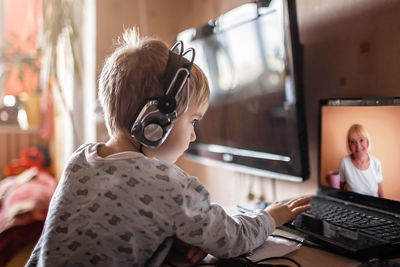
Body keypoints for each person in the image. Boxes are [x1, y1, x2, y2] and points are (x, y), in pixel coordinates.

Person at [25, 28, 311, 267]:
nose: (194, 136)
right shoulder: (170, 185)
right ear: (156, 120)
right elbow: (232, 238)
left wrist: (172, 237)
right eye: (193, 121)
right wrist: (272, 217)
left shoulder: (80, 159)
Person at [339, 124, 383, 197]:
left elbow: (380, 192)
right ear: (349, 146)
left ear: (367, 142)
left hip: (373, 205)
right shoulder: (344, 163)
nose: (358, 146)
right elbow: (340, 190)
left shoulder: (376, 163)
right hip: (353, 206)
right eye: (353, 142)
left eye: (361, 140)